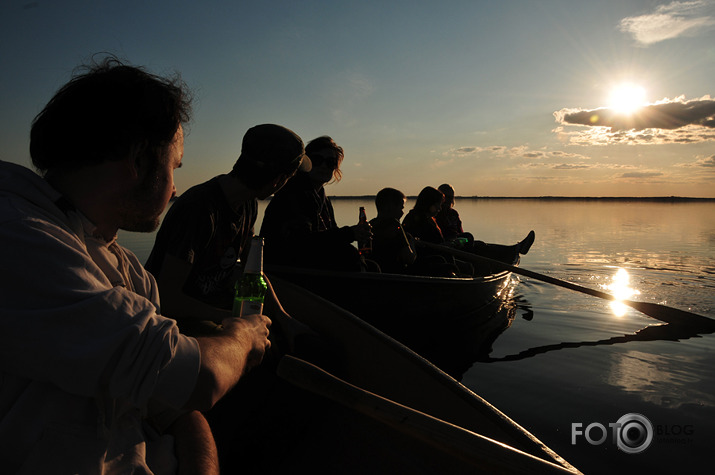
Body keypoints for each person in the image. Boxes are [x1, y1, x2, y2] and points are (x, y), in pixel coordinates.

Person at [0, 57, 271, 474]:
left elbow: (171, 407)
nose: (176, 186)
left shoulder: (127, 269)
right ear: (139, 160)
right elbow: (200, 380)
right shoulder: (17, 238)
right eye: (174, 166)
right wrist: (243, 335)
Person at [145, 124, 312, 332]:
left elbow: (252, 271)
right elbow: (167, 299)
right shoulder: (199, 208)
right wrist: (233, 319)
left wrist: (282, 317)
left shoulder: (248, 204)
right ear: (278, 180)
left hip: (212, 307)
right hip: (168, 323)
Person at [260, 135, 372, 271]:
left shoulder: (322, 197)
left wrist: (356, 233)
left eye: (330, 162)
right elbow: (301, 243)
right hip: (285, 268)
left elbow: (330, 235)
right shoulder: (293, 192)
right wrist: (349, 233)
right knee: (350, 255)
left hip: (311, 264)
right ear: (306, 162)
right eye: (317, 160)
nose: (324, 166)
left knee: (371, 265)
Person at [369, 187, 417, 274]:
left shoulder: (369, 225)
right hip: (394, 274)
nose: (402, 213)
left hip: (374, 272)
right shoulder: (395, 225)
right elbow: (410, 258)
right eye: (401, 208)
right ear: (390, 207)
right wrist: (411, 242)